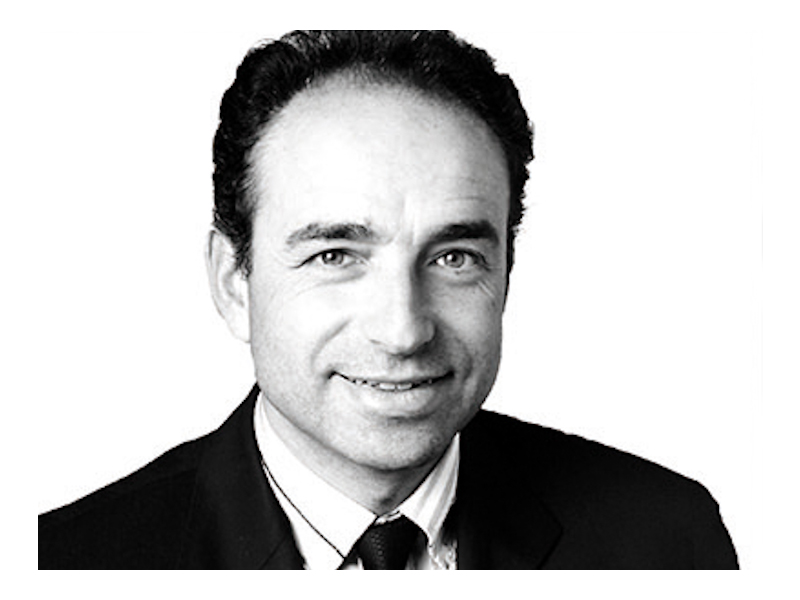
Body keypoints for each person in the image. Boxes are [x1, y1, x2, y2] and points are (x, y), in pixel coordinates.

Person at [38, 30, 737, 569]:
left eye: (453, 257)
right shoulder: (66, 563)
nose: (403, 331)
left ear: (506, 274)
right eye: (335, 256)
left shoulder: (665, 540)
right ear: (233, 282)